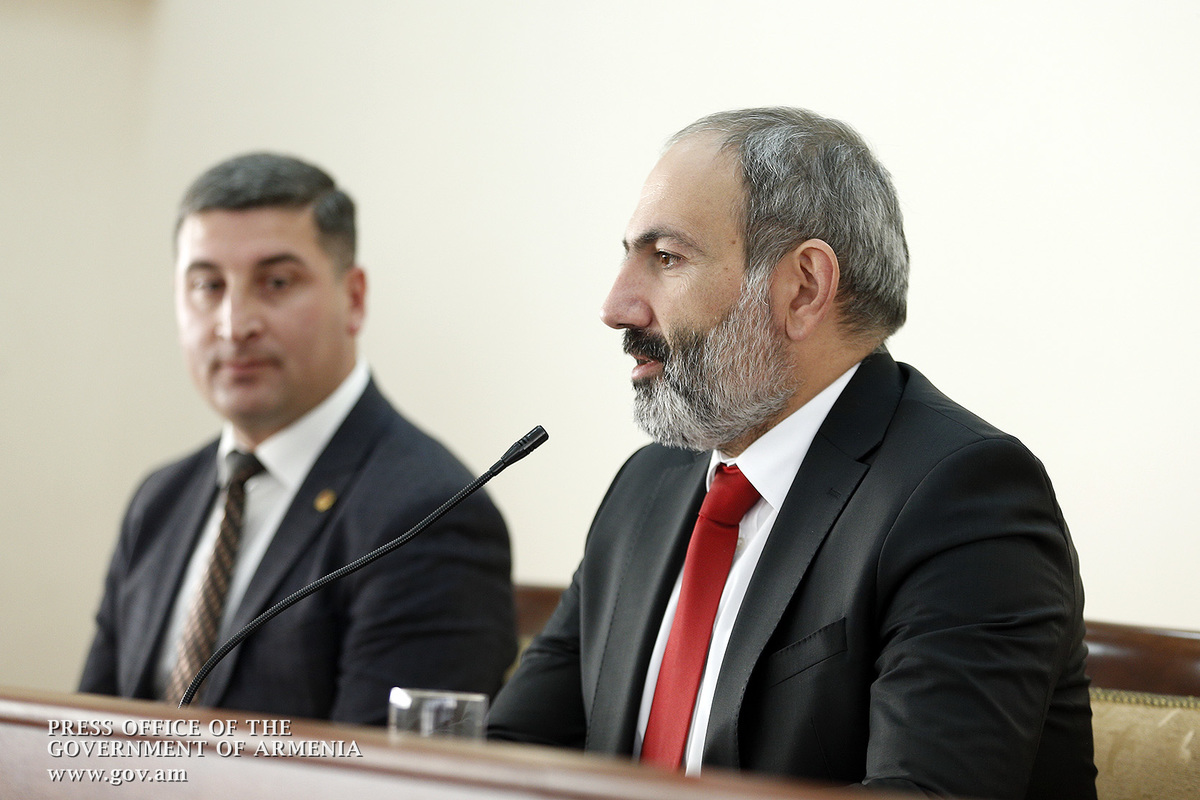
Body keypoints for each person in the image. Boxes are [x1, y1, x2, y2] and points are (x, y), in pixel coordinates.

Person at [489, 108, 1096, 799]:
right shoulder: (648, 486)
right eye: (629, 255)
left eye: (666, 258)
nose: (616, 306)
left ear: (804, 288)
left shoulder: (964, 497)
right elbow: (508, 757)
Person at [80, 153, 516, 725]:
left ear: (354, 298)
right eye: (208, 285)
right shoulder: (160, 499)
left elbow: (372, 768)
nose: (235, 324)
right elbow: (82, 737)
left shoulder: (428, 513)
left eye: (277, 283)